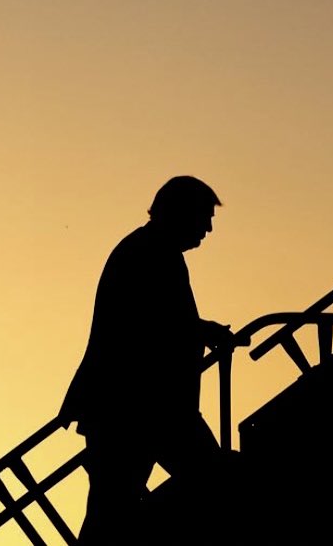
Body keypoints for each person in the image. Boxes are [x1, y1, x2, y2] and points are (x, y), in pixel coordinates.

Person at [60, 175, 235, 545]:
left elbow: (157, 320)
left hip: (138, 409)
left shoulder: (148, 250)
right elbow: (151, 324)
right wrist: (203, 331)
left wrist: (200, 330)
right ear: (180, 212)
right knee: (117, 509)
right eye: (203, 217)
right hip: (140, 409)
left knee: (111, 511)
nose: (208, 228)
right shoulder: (150, 253)